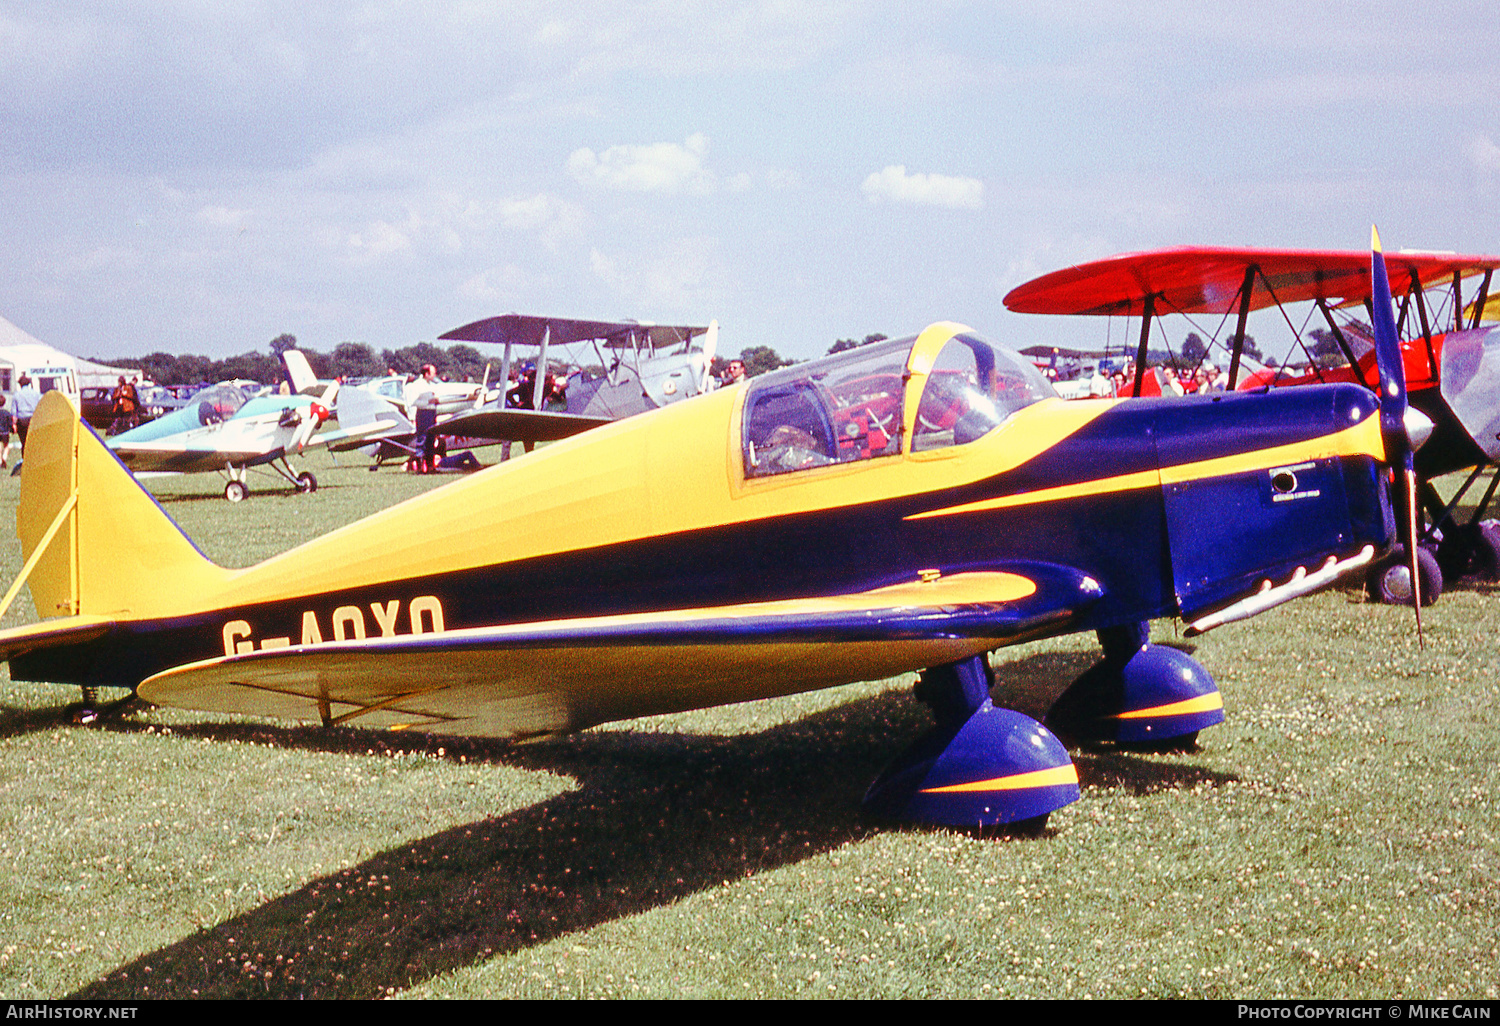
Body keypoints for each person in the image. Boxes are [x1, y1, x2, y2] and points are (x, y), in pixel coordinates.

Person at [0, 396, 12, 468]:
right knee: (6, 446)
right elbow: (10, 423)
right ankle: (4, 458)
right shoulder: (6, 413)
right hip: (5, 432)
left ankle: (0, 460)